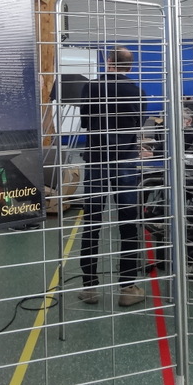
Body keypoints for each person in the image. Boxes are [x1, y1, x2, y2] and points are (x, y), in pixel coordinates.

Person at [78, 47, 147, 306]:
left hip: (96, 159)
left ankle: (89, 287)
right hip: (124, 160)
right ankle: (128, 287)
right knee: (128, 222)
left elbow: (86, 122)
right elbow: (137, 124)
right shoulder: (138, 91)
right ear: (130, 66)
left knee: (92, 221)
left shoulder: (91, 87)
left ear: (108, 62)